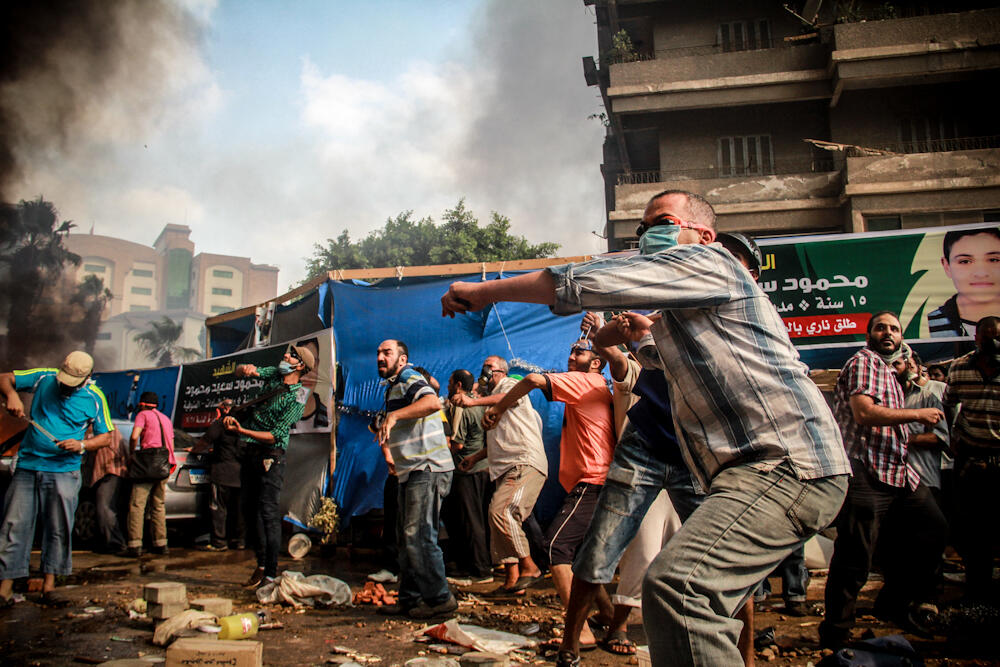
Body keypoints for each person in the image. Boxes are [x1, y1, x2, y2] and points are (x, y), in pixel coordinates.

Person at [442, 189, 851, 667]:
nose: (648, 234)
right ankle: (576, 644)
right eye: (643, 227)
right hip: (712, 467)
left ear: (703, 235)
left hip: (785, 463)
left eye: (662, 221)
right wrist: (623, 339)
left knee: (681, 587)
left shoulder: (714, 262)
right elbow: (646, 356)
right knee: (673, 582)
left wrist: (482, 290)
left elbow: (585, 281)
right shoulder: (678, 321)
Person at [820, 312, 948, 647]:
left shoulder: (889, 370)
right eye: (881, 327)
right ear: (869, 334)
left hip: (900, 471)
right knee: (854, 556)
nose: (888, 333)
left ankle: (892, 602)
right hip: (867, 471)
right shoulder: (865, 363)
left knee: (934, 528)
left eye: (894, 328)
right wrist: (918, 414)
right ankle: (836, 631)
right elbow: (864, 413)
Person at [483, 338, 617, 649]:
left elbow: (530, 379)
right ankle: (608, 616)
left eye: (579, 352)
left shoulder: (586, 381)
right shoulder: (593, 384)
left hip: (592, 480)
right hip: (594, 480)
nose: (571, 355)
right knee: (584, 557)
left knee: (556, 547)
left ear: (596, 362)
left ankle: (580, 632)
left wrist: (499, 406)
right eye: (570, 350)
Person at [0, 351, 114, 606]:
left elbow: (106, 436)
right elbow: (3, 379)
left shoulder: (96, 398)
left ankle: (49, 587)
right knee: (14, 525)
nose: (64, 385)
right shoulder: (43, 378)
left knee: (58, 527)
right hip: (28, 466)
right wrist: (12, 395)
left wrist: (82, 445)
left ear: (86, 377)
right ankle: (4, 588)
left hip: (64, 471)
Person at [371, 340, 457, 619]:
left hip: (428, 467)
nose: (381, 358)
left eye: (387, 353)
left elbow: (431, 401)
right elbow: (396, 419)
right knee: (407, 537)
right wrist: (384, 422)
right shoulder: (392, 388)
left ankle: (440, 599)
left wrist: (394, 416)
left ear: (402, 358)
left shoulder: (409, 376)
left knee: (419, 535)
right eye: (378, 354)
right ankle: (410, 599)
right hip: (411, 471)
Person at [454, 355, 548, 596]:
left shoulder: (508, 387)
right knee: (497, 517)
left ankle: (530, 567)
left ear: (501, 372)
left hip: (522, 461)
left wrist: (472, 402)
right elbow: (499, 438)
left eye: (490, 367)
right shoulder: (494, 404)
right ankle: (512, 581)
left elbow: (505, 397)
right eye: (483, 366)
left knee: (502, 512)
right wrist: (476, 457)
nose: (485, 372)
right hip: (505, 466)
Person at [229, 344, 313, 589]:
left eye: (291, 355)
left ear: (300, 366)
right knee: (249, 509)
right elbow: (247, 372)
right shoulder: (274, 375)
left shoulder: (299, 395)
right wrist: (244, 370)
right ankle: (261, 565)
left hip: (271, 455)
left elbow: (276, 435)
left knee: (268, 512)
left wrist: (242, 430)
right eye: (287, 353)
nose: (285, 356)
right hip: (250, 450)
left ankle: (271, 572)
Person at [942, 315, 1000, 600]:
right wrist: (953, 437)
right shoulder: (960, 368)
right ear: (977, 338)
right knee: (974, 530)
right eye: (988, 336)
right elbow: (949, 404)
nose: (994, 341)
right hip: (972, 459)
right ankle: (978, 590)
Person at [443, 369, 493, 583]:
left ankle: (479, 570)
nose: (448, 387)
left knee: (469, 521)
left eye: (450, 383)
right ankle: (482, 564)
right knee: (480, 518)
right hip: (484, 468)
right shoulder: (482, 402)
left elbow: (457, 444)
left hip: (466, 468)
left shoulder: (461, 408)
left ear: (458, 386)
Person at [124, 392, 176, 557]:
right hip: (164, 465)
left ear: (142, 404)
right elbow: (171, 444)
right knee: (158, 505)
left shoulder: (142, 415)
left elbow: (134, 436)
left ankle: (135, 545)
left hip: (147, 465)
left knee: (137, 504)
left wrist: (132, 453)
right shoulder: (166, 419)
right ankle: (161, 543)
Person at [927, 227, 1000, 338]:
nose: (981, 273)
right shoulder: (931, 322)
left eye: (993, 260)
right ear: (947, 266)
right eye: (965, 261)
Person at [199, 399, 245, 551]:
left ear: (225, 409)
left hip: (222, 473)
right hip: (240, 474)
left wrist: (193, 450)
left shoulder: (220, 424)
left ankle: (219, 542)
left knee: (219, 508)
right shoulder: (243, 425)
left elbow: (204, 442)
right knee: (237, 510)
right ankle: (238, 540)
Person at [88, 427, 128, 554]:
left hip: (109, 472)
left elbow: (88, 443)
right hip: (117, 472)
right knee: (110, 508)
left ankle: (116, 543)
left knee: (105, 508)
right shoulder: (116, 429)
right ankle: (109, 541)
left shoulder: (101, 429)